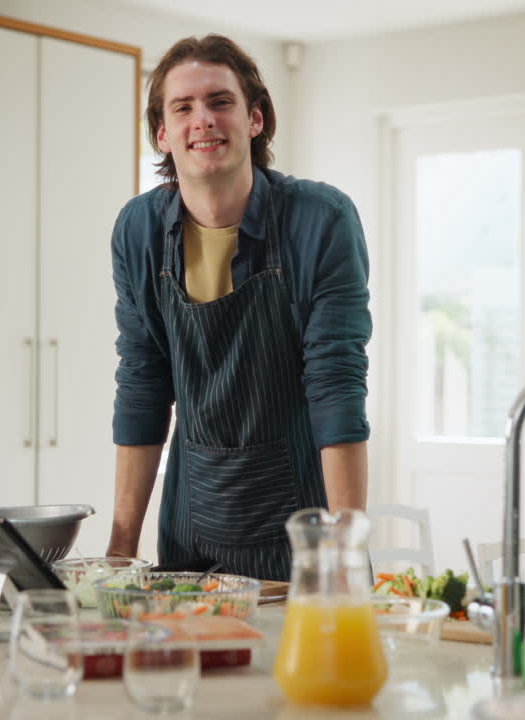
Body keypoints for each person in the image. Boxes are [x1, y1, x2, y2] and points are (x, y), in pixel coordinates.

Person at [106, 35, 371, 581]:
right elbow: (142, 386)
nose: (202, 119)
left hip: (305, 540)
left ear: (254, 119)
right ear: (162, 133)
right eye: (183, 107)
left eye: (220, 102)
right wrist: (119, 556)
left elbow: (336, 388)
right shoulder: (139, 232)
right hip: (189, 531)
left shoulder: (320, 222)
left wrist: (342, 557)